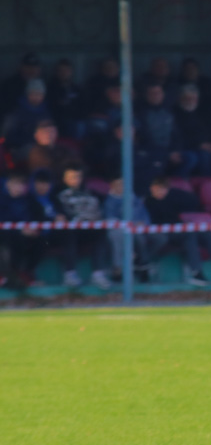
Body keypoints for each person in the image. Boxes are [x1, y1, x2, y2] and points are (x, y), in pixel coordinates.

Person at [144, 176, 211, 290]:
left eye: (163, 189)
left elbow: (193, 201)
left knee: (207, 234)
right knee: (190, 235)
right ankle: (196, 272)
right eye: (157, 189)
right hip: (164, 232)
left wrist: (173, 194)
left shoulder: (173, 196)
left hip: (180, 228)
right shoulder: (148, 202)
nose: (160, 192)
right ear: (151, 189)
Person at [54, 161, 112, 289]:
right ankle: (70, 274)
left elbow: (102, 207)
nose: (76, 180)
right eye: (72, 177)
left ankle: (98, 274)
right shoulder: (57, 194)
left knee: (101, 232)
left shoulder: (91, 193)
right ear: (64, 178)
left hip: (88, 228)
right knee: (69, 234)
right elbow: (56, 213)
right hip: (68, 231)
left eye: (78, 176)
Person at [103, 177, 154, 283]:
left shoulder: (134, 199)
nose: (121, 187)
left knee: (149, 238)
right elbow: (110, 219)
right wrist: (126, 225)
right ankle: (118, 268)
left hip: (136, 230)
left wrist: (142, 222)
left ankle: (142, 264)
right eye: (118, 184)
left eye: (123, 184)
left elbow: (144, 215)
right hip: (118, 230)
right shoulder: (109, 201)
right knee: (119, 236)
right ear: (112, 186)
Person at [173, 84, 211, 177]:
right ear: (180, 98)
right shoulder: (174, 114)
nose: (190, 101)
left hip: (203, 147)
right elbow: (178, 136)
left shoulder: (203, 113)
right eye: (187, 98)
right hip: (184, 148)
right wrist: (199, 145)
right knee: (195, 158)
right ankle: (180, 184)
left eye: (193, 98)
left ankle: (208, 186)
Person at [46, 58, 85, 139]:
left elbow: (82, 106)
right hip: (56, 119)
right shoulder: (50, 87)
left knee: (80, 125)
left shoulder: (76, 88)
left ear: (71, 72)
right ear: (56, 72)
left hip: (74, 119)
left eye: (66, 70)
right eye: (61, 70)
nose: (64, 73)